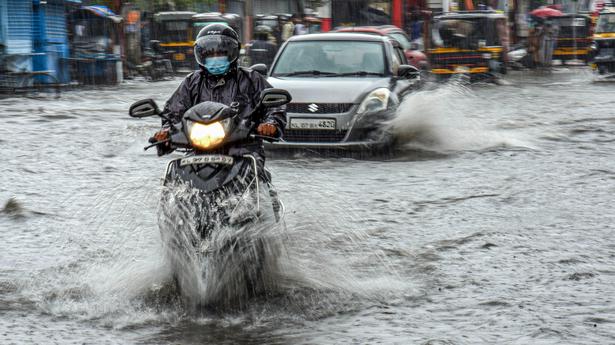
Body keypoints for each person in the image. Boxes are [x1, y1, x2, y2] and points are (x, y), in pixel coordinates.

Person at [152, 24, 286, 161]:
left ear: (232, 53)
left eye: (221, 53)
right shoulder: (191, 82)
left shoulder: (252, 80)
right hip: (198, 151)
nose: (215, 58)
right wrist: (166, 131)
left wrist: (270, 124)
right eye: (210, 54)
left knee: (253, 169)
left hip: (244, 152)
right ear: (202, 55)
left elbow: (274, 107)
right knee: (173, 171)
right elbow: (173, 113)